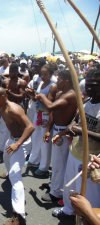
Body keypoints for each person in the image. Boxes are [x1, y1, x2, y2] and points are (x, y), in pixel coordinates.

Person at [0, 87, 34, 225]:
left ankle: (19, 216)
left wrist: (18, 144)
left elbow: (30, 127)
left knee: (16, 177)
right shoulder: (0, 105)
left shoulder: (14, 109)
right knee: (5, 158)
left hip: (22, 143)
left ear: (4, 96)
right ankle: (9, 171)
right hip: (12, 140)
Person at [52, 68, 100, 219]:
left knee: (88, 194)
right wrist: (70, 128)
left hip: (91, 159)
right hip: (74, 152)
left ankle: (89, 218)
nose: (89, 89)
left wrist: (81, 131)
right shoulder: (86, 102)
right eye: (88, 85)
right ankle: (67, 210)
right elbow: (76, 119)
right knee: (70, 187)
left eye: (94, 85)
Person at [34, 69, 77, 201]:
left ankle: (56, 192)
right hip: (56, 129)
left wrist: (41, 96)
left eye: (59, 79)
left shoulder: (70, 95)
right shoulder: (61, 93)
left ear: (66, 81)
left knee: (59, 163)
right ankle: (55, 185)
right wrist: (48, 129)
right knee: (56, 161)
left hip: (63, 132)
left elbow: (51, 106)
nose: (56, 81)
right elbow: (53, 113)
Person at [25, 64, 57, 177]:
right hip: (38, 113)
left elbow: (50, 104)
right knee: (36, 137)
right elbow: (36, 98)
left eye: (45, 74)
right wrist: (31, 94)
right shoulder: (42, 83)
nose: (42, 76)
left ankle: (44, 167)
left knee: (45, 141)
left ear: (51, 74)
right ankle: (34, 160)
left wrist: (38, 97)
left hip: (46, 115)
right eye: (41, 74)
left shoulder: (53, 86)